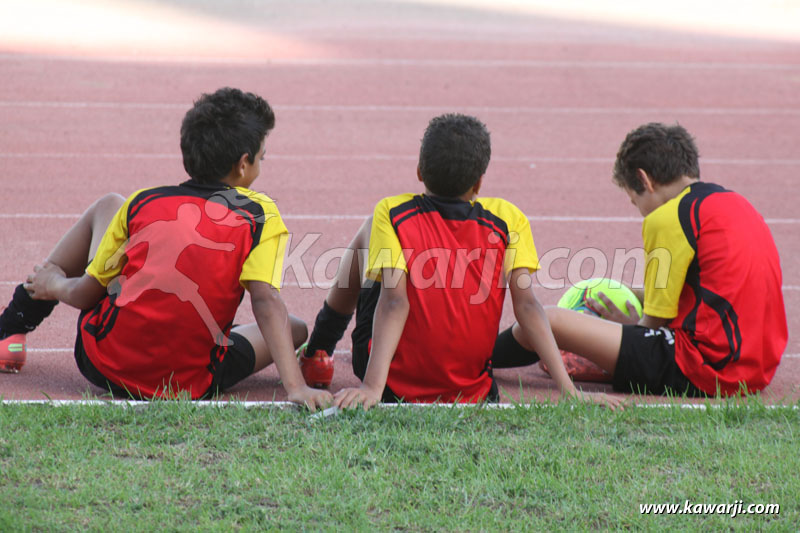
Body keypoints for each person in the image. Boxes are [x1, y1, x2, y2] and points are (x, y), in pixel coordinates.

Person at [0, 87, 333, 410]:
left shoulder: (143, 202)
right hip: (192, 382)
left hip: (106, 366)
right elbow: (265, 300)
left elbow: (86, 295)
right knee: (295, 328)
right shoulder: (259, 214)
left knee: (109, 205)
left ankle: (11, 328)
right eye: (262, 157)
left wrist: (53, 284)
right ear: (243, 164)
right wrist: (296, 387)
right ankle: (308, 359)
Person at [298, 113, 621, 409]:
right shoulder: (509, 219)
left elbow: (395, 303)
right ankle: (321, 349)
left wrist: (372, 387)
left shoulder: (392, 212)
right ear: (479, 182)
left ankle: (319, 350)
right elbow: (527, 307)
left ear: (420, 171)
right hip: (473, 389)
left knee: (370, 233)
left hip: (391, 386)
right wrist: (569, 390)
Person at [539, 122, 787, 396]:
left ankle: (486, 358)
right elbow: (700, 294)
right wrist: (629, 294)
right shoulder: (736, 204)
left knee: (549, 321)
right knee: (559, 330)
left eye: (636, 201)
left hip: (707, 369)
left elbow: (652, 323)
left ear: (644, 180)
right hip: (756, 369)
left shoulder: (666, 218)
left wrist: (627, 327)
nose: (641, 212)